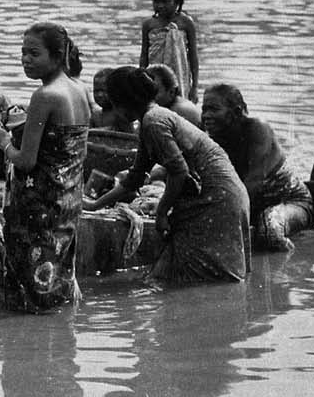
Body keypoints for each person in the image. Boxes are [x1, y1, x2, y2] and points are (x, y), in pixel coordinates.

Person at [88, 66, 250, 285]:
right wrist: (94, 205)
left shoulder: (154, 121)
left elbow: (179, 171)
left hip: (214, 200)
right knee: (172, 277)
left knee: (201, 278)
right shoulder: (152, 119)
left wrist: (162, 211)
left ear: (123, 102)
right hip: (219, 195)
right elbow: (135, 178)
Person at [0, 22, 94, 312]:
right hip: (69, 199)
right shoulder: (79, 89)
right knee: (58, 274)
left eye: (34, 53)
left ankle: (32, 345)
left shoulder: (45, 95)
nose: (25, 59)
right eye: (23, 52)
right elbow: (70, 146)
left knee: (32, 289)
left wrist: (3, 142)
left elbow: (26, 160)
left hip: (41, 205)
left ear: (58, 55)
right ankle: (59, 340)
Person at [200, 84, 311, 252]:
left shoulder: (258, 129)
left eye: (214, 109)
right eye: (204, 110)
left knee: (270, 232)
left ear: (237, 112)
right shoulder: (215, 135)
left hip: (289, 202)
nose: (206, 116)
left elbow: (254, 182)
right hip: (252, 206)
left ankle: (287, 266)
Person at [139, 0, 199, 103]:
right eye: (156, 1)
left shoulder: (186, 23)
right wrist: (142, 78)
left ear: (177, 2)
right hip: (154, 76)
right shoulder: (149, 25)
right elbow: (144, 55)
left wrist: (194, 87)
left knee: (180, 106)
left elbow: (193, 56)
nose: (160, 6)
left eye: (166, 2)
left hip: (180, 75)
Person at [145, 63, 202, 128]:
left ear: (171, 92)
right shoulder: (176, 103)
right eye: (146, 91)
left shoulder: (179, 111)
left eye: (154, 92)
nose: (148, 97)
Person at [89, 67, 135, 132]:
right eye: (96, 91)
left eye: (103, 91)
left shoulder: (121, 115)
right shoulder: (95, 116)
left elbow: (128, 136)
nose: (99, 95)